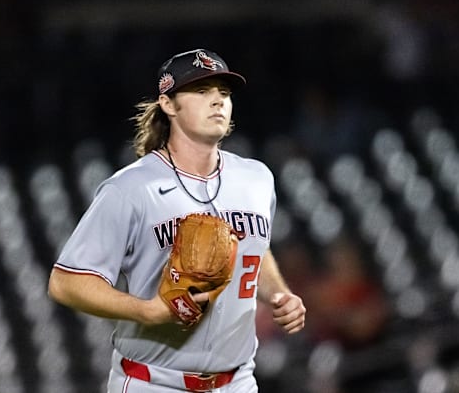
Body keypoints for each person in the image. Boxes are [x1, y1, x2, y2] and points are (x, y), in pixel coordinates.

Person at [48, 48, 306, 392]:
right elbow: (66, 282)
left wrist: (278, 294)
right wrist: (145, 311)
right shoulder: (131, 188)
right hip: (155, 383)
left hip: (238, 382)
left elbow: (256, 248)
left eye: (224, 93)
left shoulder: (257, 178)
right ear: (168, 105)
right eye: (201, 92)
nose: (217, 101)